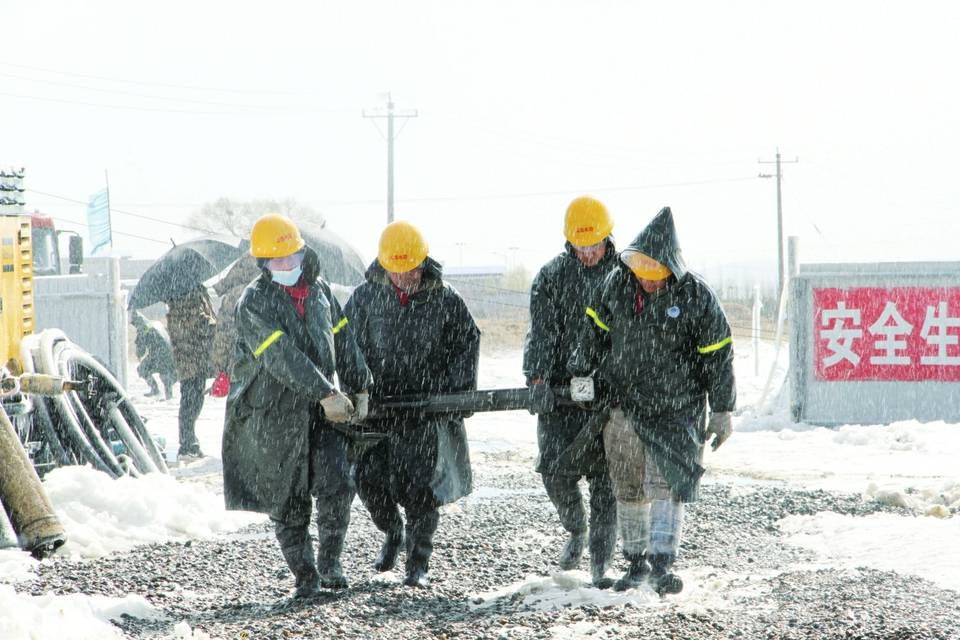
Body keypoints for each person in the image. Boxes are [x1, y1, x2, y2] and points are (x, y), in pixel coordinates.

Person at [569, 206, 736, 595]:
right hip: (624, 404)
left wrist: (723, 409)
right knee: (628, 486)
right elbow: (594, 331)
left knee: (667, 485)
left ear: (669, 270)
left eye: (654, 277)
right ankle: (635, 561)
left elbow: (719, 355)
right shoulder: (617, 284)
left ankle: (663, 563)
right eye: (641, 275)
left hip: (678, 410)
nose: (646, 282)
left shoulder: (696, 296)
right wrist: (582, 372)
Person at [222, 213, 372, 599]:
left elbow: (343, 336)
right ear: (264, 264)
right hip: (271, 413)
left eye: (292, 257)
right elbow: (282, 357)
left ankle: (330, 563)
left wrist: (359, 386)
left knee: (338, 481)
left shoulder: (320, 291)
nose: (287, 266)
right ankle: (305, 577)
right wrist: (325, 392)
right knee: (287, 499)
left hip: (321, 410)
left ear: (302, 253)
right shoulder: (253, 303)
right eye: (277, 261)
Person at [345, 220, 479, 588]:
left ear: (423, 263)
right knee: (368, 479)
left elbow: (468, 342)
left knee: (420, 489)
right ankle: (392, 531)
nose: (406, 277)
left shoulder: (445, 298)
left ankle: (417, 563)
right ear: (384, 266)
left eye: (412, 269)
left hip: (424, 409)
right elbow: (345, 345)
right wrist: (356, 387)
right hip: (377, 408)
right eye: (397, 271)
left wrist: (454, 392)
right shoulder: (363, 298)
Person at [523, 196, 619, 588]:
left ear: (607, 238)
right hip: (561, 393)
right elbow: (541, 331)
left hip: (607, 392)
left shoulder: (624, 275)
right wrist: (538, 378)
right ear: (569, 243)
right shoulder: (551, 277)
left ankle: (601, 562)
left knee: (606, 481)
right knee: (554, 470)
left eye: (594, 245)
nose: (589, 253)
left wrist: (611, 377)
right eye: (582, 247)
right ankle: (576, 528)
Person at [165, 284, 216, 459]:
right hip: (191, 359)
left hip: (194, 358)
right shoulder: (186, 299)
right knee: (191, 401)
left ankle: (189, 442)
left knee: (194, 400)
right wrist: (215, 324)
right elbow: (199, 324)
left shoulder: (188, 296)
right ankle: (187, 445)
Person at [209, 251, 260, 397]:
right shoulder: (269, 290)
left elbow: (222, 338)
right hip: (267, 365)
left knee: (240, 412)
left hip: (238, 366)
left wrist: (221, 369)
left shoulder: (232, 297)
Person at [130, 311, 177, 400]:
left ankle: (155, 389)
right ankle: (169, 395)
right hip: (170, 354)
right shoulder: (156, 323)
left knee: (142, 369)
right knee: (165, 374)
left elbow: (141, 349)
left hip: (158, 355)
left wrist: (139, 354)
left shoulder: (143, 329)